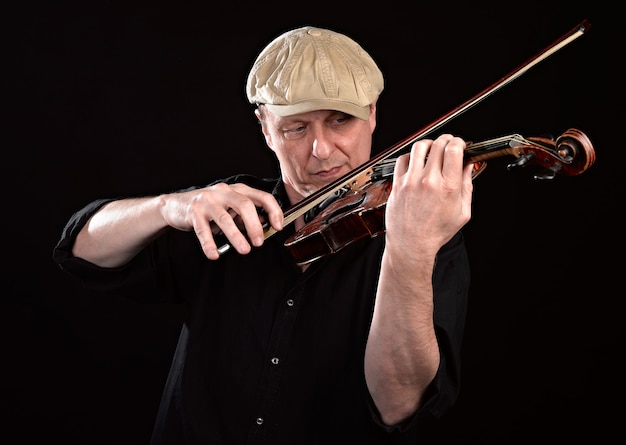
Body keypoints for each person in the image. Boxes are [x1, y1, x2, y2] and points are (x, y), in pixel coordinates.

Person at [53, 25, 474, 444]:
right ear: (265, 128)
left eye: (340, 120)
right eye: (296, 128)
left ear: (373, 113)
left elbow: (397, 403)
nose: (321, 149)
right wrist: (166, 207)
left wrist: (409, 247)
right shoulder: (228, 210)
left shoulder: (424, 235)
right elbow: (81, 251)